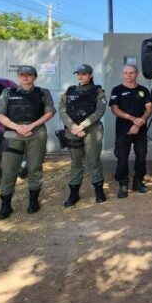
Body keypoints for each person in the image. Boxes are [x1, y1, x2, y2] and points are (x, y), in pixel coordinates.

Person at [0, 65, 55, 220]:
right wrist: (17, 128)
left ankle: (33, 201)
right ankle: (6, 205)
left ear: (35, 77)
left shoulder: (43, 93)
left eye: (29, 75)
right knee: (8, 170)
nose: (25, 77)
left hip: (36, 133)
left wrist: (31, 126)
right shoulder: (8, 93)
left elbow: (50, 112)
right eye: (22, 75)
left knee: (35, 167)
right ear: (18, 77)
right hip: (13, 134)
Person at [59, 64, 107, 207]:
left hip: (92, 130)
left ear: (90, 75)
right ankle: (74, 194)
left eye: (84, 74)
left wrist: (82, 126)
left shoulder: (98, 91)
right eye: (78, 74)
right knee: (76, 162)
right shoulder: (69, 91)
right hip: (72, 130)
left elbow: (99, 111)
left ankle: (99, 191)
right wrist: (74, 127)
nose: (81, 76)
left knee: (93, 160)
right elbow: (62, 111)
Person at [109, 64, 152, 198]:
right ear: (122, 74)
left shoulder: (143, 90)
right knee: (122, 158)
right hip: (123, 130)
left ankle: (138, 182)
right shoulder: (117, 90)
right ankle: (123, 184)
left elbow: (149, 108)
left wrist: (140, 122)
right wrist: (134, 119)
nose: (129, 75)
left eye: (131, 73)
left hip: (140, 130)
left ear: (137, 74)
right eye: (126, 73)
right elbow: (114, 109)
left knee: (141, 156)